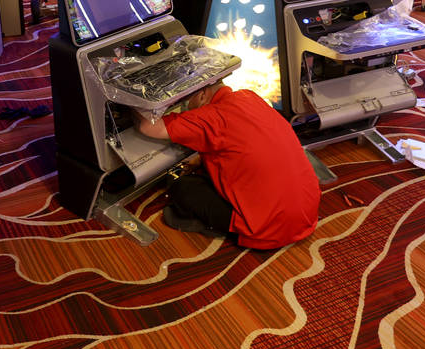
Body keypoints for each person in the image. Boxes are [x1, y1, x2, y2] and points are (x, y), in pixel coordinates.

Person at [134, 81, 320, 250]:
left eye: (185, 100)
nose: (184, 105)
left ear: (202, 95)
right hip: (308, 211)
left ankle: (222, 227)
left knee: (182, 187)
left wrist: (128, 97)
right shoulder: (250, 96)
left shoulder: (209, 117)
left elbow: (148, 127)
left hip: (270, 229)